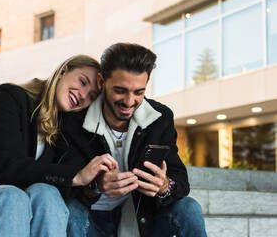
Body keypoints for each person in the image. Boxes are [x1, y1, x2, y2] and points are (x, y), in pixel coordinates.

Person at [0, 55, 118, 237]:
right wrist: (76, 176)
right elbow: (8, 166)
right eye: (82, 82)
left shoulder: (65, 127)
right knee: (11, 196)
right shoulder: (8, 98)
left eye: (92, 96)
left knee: (48, 193)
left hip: (22, 219)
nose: (83, 95)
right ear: (64, 70)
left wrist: (96, 183)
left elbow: (70, 188)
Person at [57, 43, 207, 237]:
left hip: (141, 220)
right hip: (90, 221)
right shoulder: (75, 118)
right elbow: (63, 183)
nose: (129, 102)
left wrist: (163, 186)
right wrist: (95, 186)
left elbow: (181, 181)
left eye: (139, 92)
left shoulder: (160, 118)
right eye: (120, 90)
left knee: (189, 208)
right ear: (102, 81)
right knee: (70, 211)